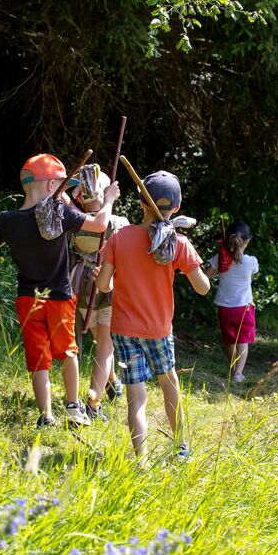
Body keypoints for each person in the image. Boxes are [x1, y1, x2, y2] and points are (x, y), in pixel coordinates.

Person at [0, 154, 120, 428]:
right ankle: (73, 407)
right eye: (60, 184)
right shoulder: (60, 215)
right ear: (51, 187)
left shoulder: (8, 219)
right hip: (59, 297)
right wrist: (107, 200)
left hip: (27, 298)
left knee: (39, 360)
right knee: (67, 352)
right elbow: (99, 224)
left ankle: (46, 416)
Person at [96, 171, 209, 466]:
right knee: (168, 383)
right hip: (158, 330)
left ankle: (142, 461)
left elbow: (103, 286)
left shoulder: (120, 237)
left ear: (140, 203)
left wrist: (110, 276)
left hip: (123, 329)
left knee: (136, 397)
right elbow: (202, 288)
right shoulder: (178, 243)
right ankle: (182, 447)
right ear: (177, 208)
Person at [69, 165, 129, 422]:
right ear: (107, 194)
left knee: (100, 339)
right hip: (107, 285)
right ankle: (93, 402)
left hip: (80, 286)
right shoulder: (120, 224)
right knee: (105, 346)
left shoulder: (74, 220)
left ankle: (112, 382)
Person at [205, 220, 259, 383]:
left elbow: (205, 276)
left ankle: (232, 369)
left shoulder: (220, 258)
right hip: (244, 308)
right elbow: (252, 274)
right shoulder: (251, 261)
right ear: (247, 241)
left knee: (229, 340)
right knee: (243, 341)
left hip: (225, 307)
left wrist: (222, 257)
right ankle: (238, 373)